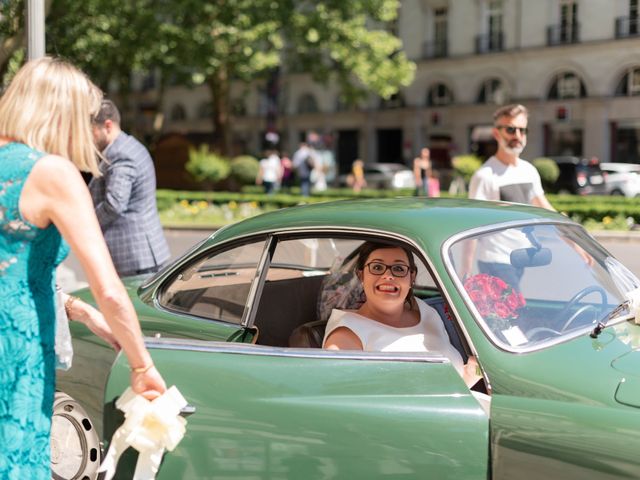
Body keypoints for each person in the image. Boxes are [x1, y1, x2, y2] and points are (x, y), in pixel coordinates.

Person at [0, 57, 166, 479]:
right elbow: (109, 288)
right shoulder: (51, 172)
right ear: (65, 114)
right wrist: (142, 366)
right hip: (14, 347)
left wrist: (77, 308)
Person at [322, 242, 481, 387]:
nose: (388, 276)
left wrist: (471, 373)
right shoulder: (345, 336)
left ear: (411, 277)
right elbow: (343, 401)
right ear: (361, 275)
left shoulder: (425, 311)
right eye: (377, 267)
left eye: (398, 269)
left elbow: (446, 387)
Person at [90, 99, 171, 277]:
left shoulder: (120, 154)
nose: (88, 138)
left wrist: (86, 223)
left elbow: (113, 204)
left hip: (134, 257)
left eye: (91, 131)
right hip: (140, 254)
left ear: (107, 126)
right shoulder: (129, 146)